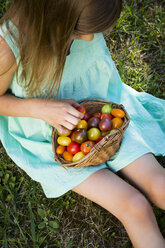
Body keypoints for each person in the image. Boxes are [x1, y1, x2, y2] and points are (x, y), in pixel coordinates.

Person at [0, 0, 165, 247]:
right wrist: (39, 108)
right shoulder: (9, 48)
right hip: (49, 140)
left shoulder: (86, 11)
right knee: (134, 206)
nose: (89, 39)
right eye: (78, 32)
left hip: (104, 116)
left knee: (160, 184)